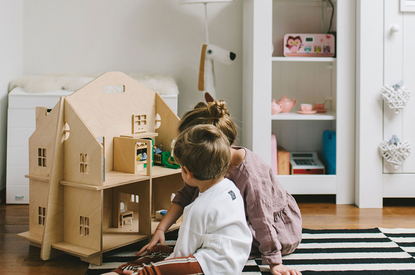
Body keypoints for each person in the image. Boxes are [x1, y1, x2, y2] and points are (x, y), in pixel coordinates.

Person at [137, 100, 303, 275]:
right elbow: (185, 193)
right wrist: (161, 229)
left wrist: (274, 262)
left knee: (224, 250)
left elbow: (263, 219)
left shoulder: (251, 174)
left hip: (273, 227)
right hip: (234, 218)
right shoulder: (207, 162)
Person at [103, 124, 252, 275]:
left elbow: (181, 255)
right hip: (233, 261)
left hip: (212, 268)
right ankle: (126, 271)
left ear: (187, 172)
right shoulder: (230, 188)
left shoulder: (197, 209)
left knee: (156, 269)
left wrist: (162, 267)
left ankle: (134, 273)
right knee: (159, 251)